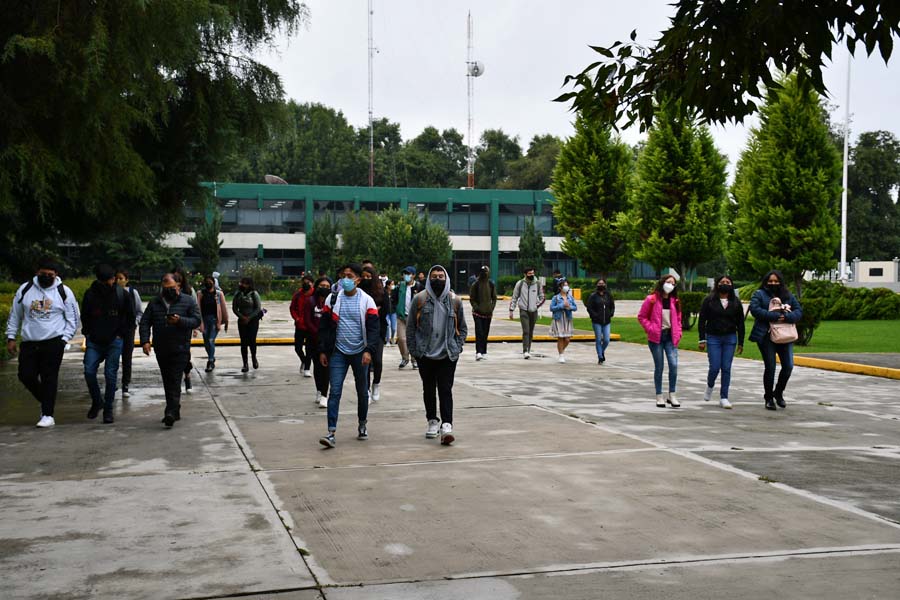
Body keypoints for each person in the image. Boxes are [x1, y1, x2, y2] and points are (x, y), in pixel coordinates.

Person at [5, 258, 80, 428]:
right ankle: (46, 399)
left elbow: (73, 319)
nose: (46, 277)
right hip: (29, 342)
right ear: (37, 272)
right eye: (43, 274)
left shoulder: (64, 292)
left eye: (50, 275)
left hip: (53, 342)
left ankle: (48, 414)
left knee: (49, 378)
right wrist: (11, 337)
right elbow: (15, 314)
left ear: (56, 275)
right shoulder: (25, 289)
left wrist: (64, 339)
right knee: (25, 375)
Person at [317, 263, 379, 448]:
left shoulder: (367, 301)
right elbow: (324, 327)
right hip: (338, 352)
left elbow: (374, 328)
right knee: (334, 391)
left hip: (361, 353)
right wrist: (322, 350)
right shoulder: (333, 299)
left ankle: (362, 424)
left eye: (350, 276)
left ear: (358, 280)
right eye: (344, 275)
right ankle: (331, 432)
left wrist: (369, 351)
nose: (346, 279)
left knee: (362, 391)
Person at [407, 265, 467, 445]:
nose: (438, 279)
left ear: (447, 279)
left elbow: (462, 328)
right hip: (425, 354)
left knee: (445, 389)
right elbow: (410, 328)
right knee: (429, 389)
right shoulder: (420, 299)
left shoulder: (455, 301)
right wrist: (414, 351)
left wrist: (458, 346)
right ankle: (432, 420)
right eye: (434, 276)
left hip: (447, 354)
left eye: (441, 276)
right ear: (428, 279)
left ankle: (447, 425)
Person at [139, 274, 201, 427]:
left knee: (174, 378)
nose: (169, 291)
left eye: (172, 288)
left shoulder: (188, 300)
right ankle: (174, 409)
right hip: (161, 347)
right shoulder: (155, 302)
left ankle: (170, 412)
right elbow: (145, 322)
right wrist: (145, 341)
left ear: (178, 286)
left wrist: (180, 321)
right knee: (168, 379)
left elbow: (196, 320)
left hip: (180, 347)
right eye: (166, 288)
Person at [81, 264, 134, 423]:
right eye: (109, 280)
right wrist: (88, 333)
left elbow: (130, 318)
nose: (112, 282)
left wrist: (120, 335)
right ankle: (98, 401)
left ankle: (108, 409)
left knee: (110, 375)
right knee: (89, 371)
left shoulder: (121, 295)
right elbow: (85, 315)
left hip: (114, 341)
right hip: (95, 341)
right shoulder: (90, 294)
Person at [748, 270, 803, 411]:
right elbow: (755, 310)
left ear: (781, 282)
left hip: (785, 335)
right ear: (766, 282)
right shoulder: (759, 294)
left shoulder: (788, 295)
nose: (773, 283)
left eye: (776, 281)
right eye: (770, 281)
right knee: (770, 367)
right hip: (766, 336)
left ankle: (778, 393)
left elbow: (798, 311)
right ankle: (769, 398)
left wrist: (787, 317)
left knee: (788, 366)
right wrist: (773, 315)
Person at [698, 275, 745, 409]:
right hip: (713, 337)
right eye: (722, 282)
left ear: (731, 285)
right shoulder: (709, 300)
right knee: (714, 367)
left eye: (728, 282)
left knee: (726, 368)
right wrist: (702, 339)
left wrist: (741, 342)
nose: (725, 284)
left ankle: (724, 397)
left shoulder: (736, 302)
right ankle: (710, 385)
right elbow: (702, 321)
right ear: (717, 284)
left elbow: (741, 323)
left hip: (730, 337)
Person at [638, 274, 683, 408]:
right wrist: (650, 328)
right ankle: (659, 395)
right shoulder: (651, 299)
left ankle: (672, 394)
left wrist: (678, 332)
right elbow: (641, 316)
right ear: (662, 283)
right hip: (656, 337)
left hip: (670, 337)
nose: (670, 285)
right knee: (659, 367)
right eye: (668, 282)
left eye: (673, 283)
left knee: (673, 365)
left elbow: (679, 319)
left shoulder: (675, 301)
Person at [304, 276, 333, 408]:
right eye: (322, 286)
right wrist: (317, 333)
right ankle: (319, 389)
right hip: (313, 339)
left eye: (327, 287)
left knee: (326, 367)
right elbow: (308, 320)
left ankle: (324, 395)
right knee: (317, 367)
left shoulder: (332, 302)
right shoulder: (310, 301)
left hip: (327, 341)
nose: (324, 289)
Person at [361, 266, 387, 403]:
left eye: (369, 277)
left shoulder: (381, 293)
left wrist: (373, 312)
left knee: (377, 360)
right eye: (363, 277)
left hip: (378, 331)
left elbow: (385, 311)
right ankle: (366, 390)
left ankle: (376, 383)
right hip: (361, 331)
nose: (366, 280)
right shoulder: (358, 293)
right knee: (365, 361)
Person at [115, 268, 143, 397]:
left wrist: (135, 323)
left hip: (129, 329)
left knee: (127, 358)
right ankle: (113, 382)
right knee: (113, 357)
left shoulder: (133, 293)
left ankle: (125, 384)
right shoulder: (111, 292)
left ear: (127, 280)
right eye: (117, 278)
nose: (118, 281)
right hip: (114, 330)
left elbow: (139, 311)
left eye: (121, 278)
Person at [509, 266, 545, 359]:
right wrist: (511, 310)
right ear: (525, 274)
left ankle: (528, 349)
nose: (531, 275)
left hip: (534, 311)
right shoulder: (520, 284)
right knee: (526, 331)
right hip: (523, 310)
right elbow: (514, 297)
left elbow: (542, 297)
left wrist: (536, 305)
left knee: (531, 331)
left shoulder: (537, 283)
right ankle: (525, 351)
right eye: (529, 274)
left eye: (533, 273)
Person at [173, 269, 198, 394]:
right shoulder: (166, 291)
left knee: (185, 354)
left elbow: (195, 312)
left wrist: (194, 328)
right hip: (171, 329)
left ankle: (187, 375)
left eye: (178, 278)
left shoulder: (189, 292)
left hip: (185, 328)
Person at [197, 274, 228, 373]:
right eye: (207, 281)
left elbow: (223, 309)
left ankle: (210, 361)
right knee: (206, 342)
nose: (208, 283)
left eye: (210, 281)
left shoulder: (218, 294)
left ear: (214, 283)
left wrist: (224, 322)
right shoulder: (201, 293)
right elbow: (198, 309)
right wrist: (199, 323)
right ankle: (212, 356)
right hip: (204, 320)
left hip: (214, 320)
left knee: (211, 340)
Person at [233, 277, 262, 373]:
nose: (241, 285)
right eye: (241, 283)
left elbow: (258, 308)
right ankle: (245, 363)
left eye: (244, 283)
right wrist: (242, 317)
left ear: (249, 285)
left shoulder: (254, 294)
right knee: (243, 342)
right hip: (242, 320)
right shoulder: (237, 294)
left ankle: (254, 357)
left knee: (252, 340)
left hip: (253, 320)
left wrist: (249, 318)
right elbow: (234, 308)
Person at [468, 265, 497, 361]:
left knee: (485, 332)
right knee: (479, 332)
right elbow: (472, 298)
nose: (484, 273)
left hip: (488, 313)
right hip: (478, 313)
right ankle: (478, 352)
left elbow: (494, 298)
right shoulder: (475, 284)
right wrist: (477, 308)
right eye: (482, 272)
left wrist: (491, 308)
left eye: (485, 272)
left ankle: (484, 351)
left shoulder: (491, 284)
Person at [290, 274, 315, 377]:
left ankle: (307, 368)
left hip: (310, 326)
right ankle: (304, 360)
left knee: (309, 349)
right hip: (300, 325)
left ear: (312, 284)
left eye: (308, 282)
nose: (306, 284)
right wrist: (296, 318)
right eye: (304, 282)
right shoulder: (297, 295)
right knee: (298, 348)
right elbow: (292, 308)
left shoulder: (315, 295)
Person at [393, 266, 418, 369]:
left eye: (409, 274)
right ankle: (404, 358)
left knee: (414, 339)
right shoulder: (399, 286)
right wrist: (397, 309)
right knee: (402, 339)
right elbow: (393, 299)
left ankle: (414, 359)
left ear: (414, 275)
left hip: (414, 318)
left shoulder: (419, 287)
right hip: (401, 317)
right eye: (405, 274)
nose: (406, 276)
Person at [586, 278, 615, 364]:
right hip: (596, 321)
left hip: (607, 321)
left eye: (603, 283)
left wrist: (611, 313)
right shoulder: (593, 296)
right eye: (599, 283)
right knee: (598, 339)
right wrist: (594, 315)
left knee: (606, 340)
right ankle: (600, 356)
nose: (601, 285)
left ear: (605, 285)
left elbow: (612, 305)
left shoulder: (608, 295)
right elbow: (589, 307)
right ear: (596, 285)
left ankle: (601, 351)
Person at [549, 278, 578, 363]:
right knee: (561, 337)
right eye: (564, 285)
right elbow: (551, 308)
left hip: (567, 318)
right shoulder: (556, 298)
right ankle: (561, 355)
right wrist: (561, 305)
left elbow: (575, 307)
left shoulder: (570, 297)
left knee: (567, 339)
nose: (566, 287)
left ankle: (561, 350)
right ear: (560, 287)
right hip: (559, 319)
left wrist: (569, 307)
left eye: (567, 285)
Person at [384, 279, 397, 345]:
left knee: (394, 328)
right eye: (392, 284)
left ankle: (392, 338)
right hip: (386, 312)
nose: (393, 285)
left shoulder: (394, 292)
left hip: (393, 312)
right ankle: (388, 340)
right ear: (388, 285)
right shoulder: (384, 292)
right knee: (387, 326)